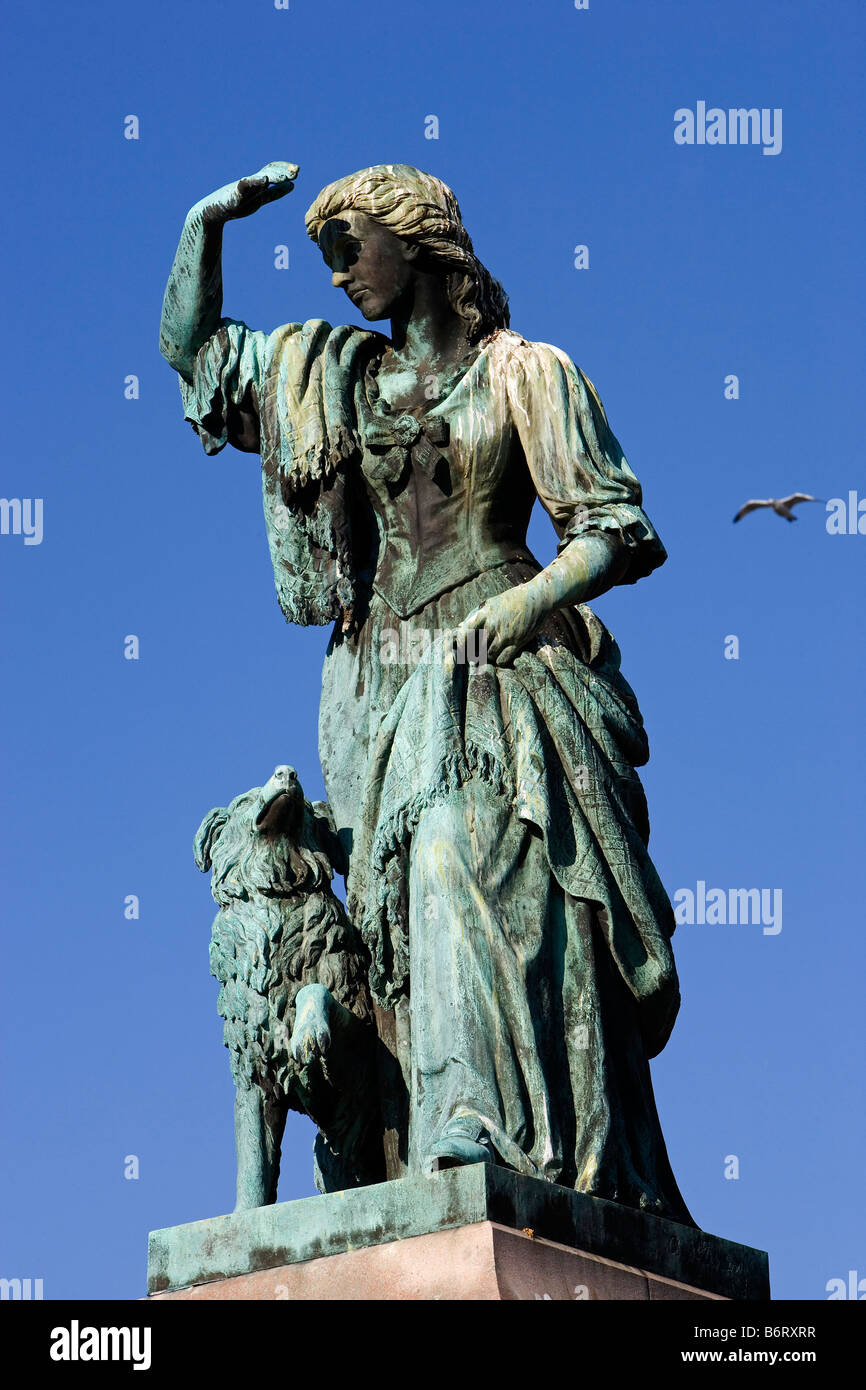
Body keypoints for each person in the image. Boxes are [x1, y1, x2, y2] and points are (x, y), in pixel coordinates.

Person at [160, 161, 694, 1223]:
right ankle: (417, 1147)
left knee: (459, 852)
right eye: (321, 257)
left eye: (347, 246)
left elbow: (616, 529)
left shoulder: (522, 374)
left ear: (415, 241)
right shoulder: (336, 380)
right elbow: (198, 355)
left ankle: (484, 1128)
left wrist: (530, 599)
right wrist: (203, 224)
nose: (335, 275)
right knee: (391, 922)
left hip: (503, 665)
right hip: (379, 694)